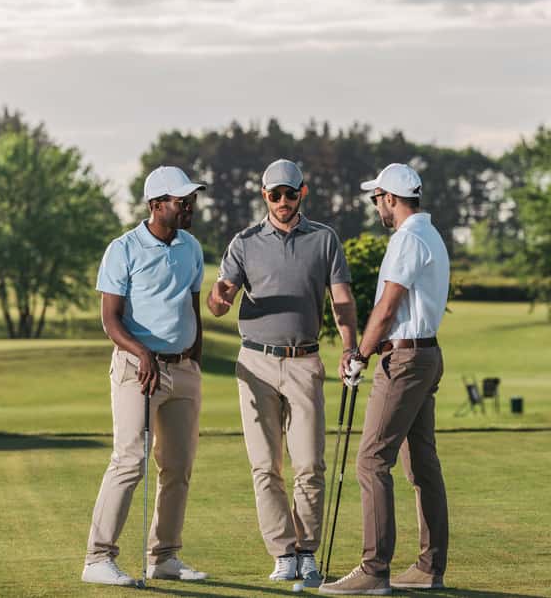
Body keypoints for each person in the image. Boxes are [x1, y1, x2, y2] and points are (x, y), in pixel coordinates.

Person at [207, 159, 359, 587]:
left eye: (290, 193)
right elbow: (221, 301)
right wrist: (217, 299)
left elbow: (342, 300)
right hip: (254, 362)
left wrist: (350, 346)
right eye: (274, 194)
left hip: (305, 361)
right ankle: (282, 552)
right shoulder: (245, 242)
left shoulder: (324, 239)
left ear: (302, 193)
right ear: (264, 196)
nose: (282, 201)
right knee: (265, 466)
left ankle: (307, 552)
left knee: (310, 464)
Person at [320, 163, 450, 596]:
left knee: (372, 460)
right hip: (426, 354)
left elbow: (388, 307)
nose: (376, 204)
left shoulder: (407, 239)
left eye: (377, 197)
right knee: (421, 464)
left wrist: (359, 354)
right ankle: (429, 567)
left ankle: (374, 570)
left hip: (406, 360)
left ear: (390, 198)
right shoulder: (430, 235)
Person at [82, 166, 209, 586]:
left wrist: (195, 358)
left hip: (183, 371)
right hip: (139, 370)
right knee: (129, 460)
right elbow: (110, 320)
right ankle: (98, 558)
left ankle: (164, 558)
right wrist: (142, 353)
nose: (189, 206)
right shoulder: (123, 249)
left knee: (178, 467)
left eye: (191, 199)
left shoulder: (191, 247)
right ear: (156, 205)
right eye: (181, 200)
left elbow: (192, 305)